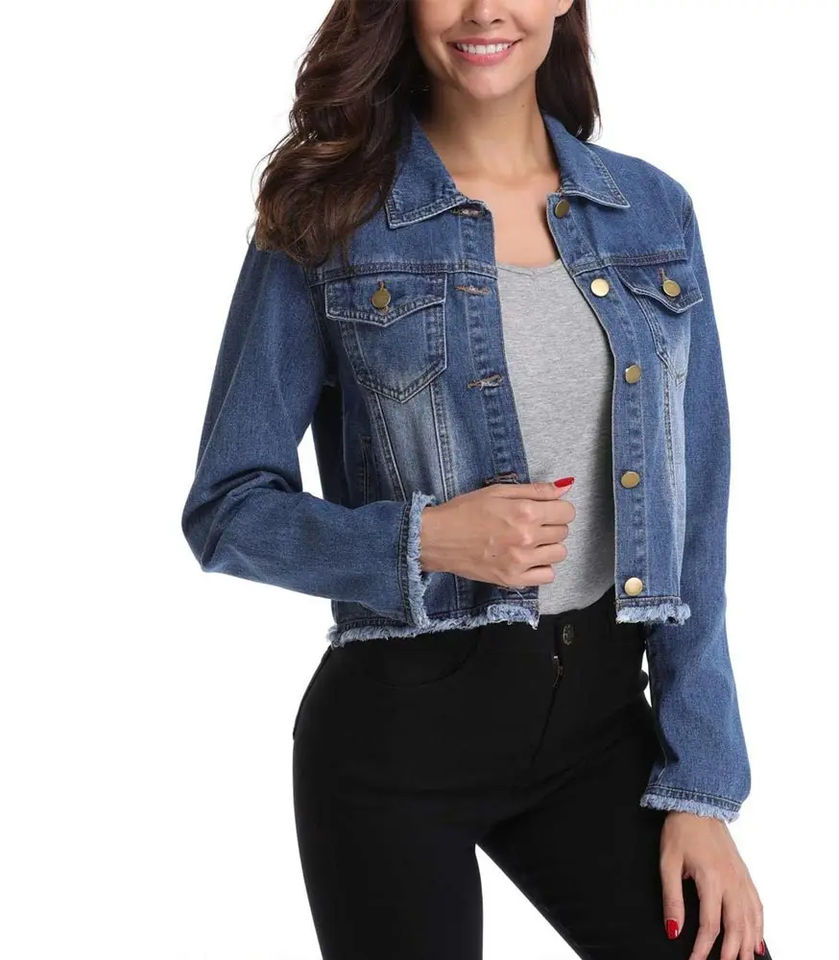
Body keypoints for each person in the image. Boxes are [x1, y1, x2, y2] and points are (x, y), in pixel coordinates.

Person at [181, 1, 771, 958]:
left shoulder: (652, 212)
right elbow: (227, 509)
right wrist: (426, 539)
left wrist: (700, 788)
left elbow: (696, 511)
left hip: (600, 731)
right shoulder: (330, 216)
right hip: (395, 746)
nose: (484, 9)